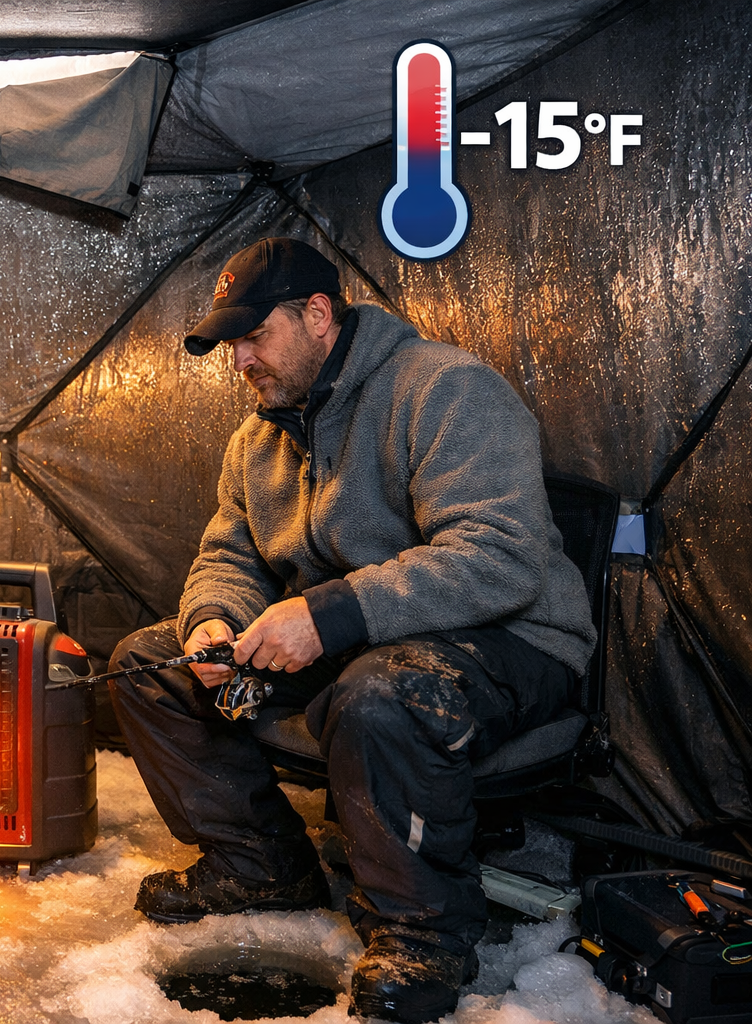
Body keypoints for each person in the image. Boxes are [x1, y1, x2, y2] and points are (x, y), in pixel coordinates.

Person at [106, 237, 595, 1023]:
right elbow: (230, 551)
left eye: (253, 335)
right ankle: (260, 865)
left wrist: (328, 614)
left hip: (511, 639)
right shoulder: (257, 437)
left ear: (319, 315)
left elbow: (500, 559)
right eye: (229, 343)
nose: (239, 361)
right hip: (362, 640)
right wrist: (212, 623)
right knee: (149, 664)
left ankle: (423, 934)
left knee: (382, 695)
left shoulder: (447, 389)